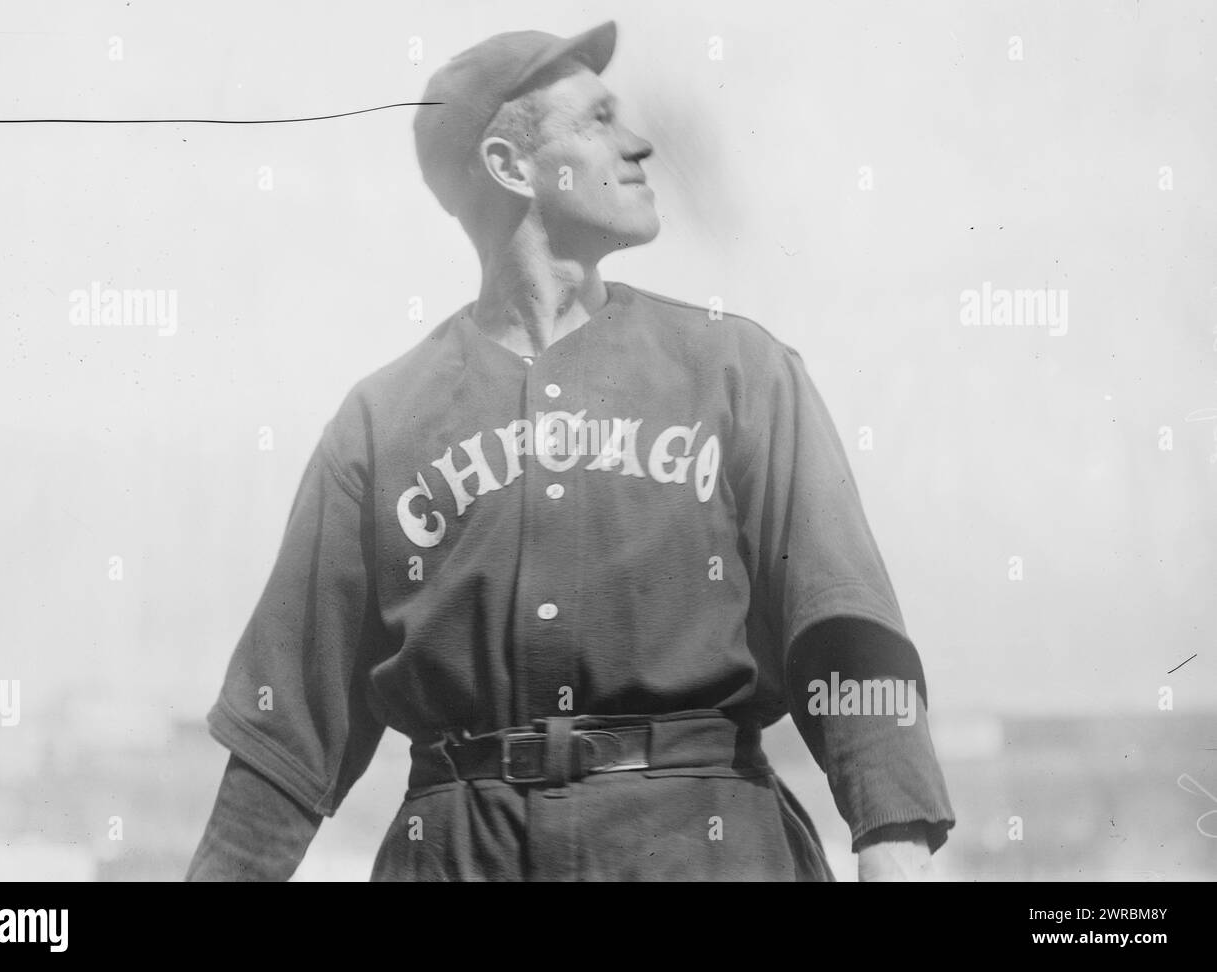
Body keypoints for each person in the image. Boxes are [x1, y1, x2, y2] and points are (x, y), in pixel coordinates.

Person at [187, 20, 954, 882]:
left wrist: (897, 854)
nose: (640, 143)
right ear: (511, 168)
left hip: (700, 846)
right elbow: (285, 734)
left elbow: (846, 641)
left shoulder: (738, 372)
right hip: (460, 855)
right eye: (595, 122)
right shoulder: (380, 422)